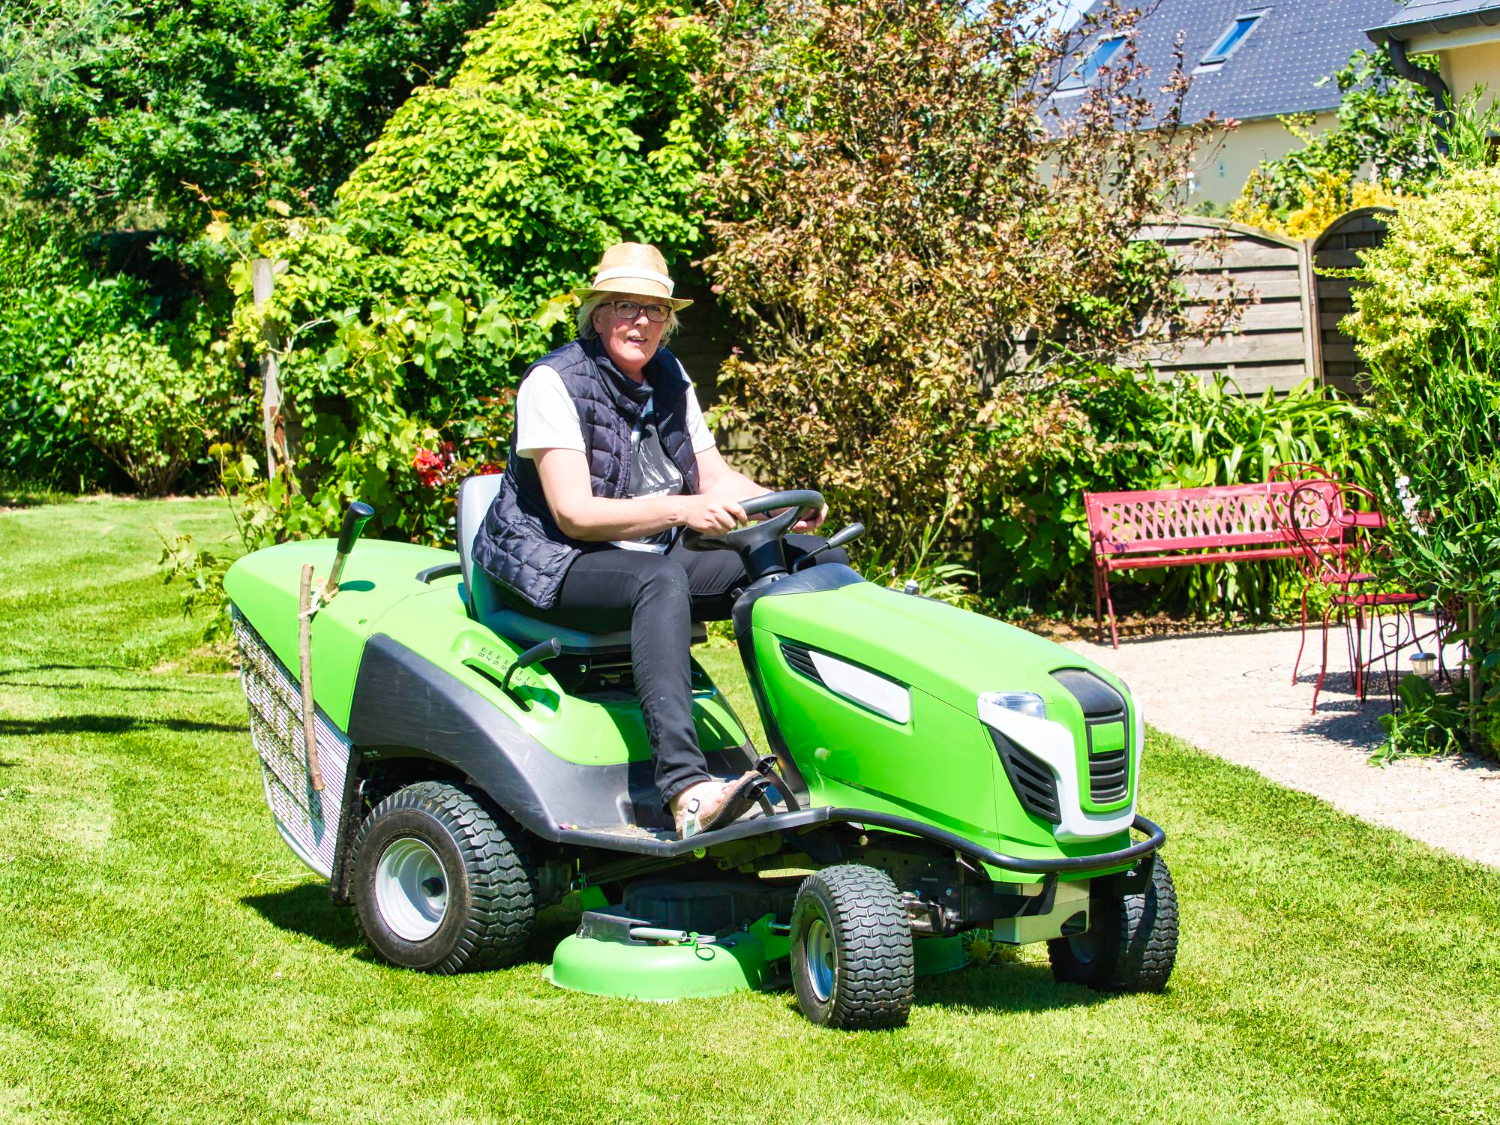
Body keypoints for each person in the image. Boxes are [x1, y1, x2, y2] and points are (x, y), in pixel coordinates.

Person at [472, 242, 848, 838]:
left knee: (809, 559)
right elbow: (574, 515)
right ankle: (687, 791)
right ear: (596, 313)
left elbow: (714, 476)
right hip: (555, 562)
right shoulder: (552, 382)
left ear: (668, 319)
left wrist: (779, 503)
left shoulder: (670, 376)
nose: (640, 320)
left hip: (647, 550)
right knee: (659, 580)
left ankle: (828, 756)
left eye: (654, 308)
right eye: (624, 305)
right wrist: (686, 509)